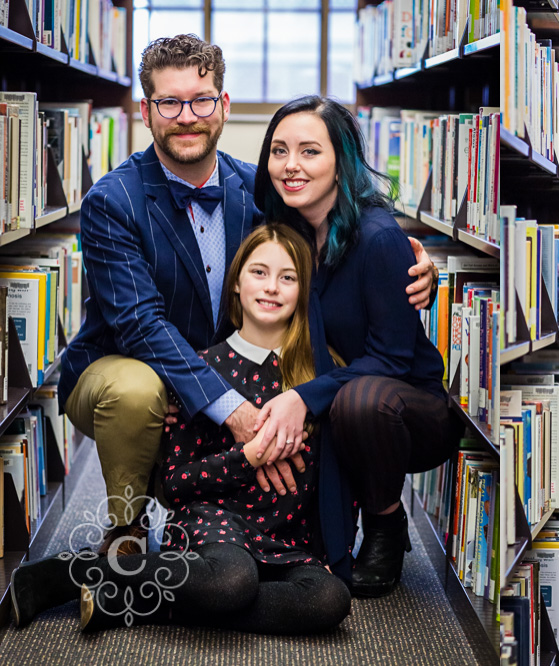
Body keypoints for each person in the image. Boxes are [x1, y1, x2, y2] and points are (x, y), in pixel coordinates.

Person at [57, 34, 438, 557]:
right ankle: (125, 534)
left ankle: (259, 526)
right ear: (146, 111)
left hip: (226, 370)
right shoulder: (111, 201)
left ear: (224, 107)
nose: (186, 115)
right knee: (138, 389)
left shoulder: (261, 193)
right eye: (169, 102)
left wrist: (417, 268)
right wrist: (228, 405)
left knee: (304, 383)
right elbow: (140, 325)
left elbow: (318, 266)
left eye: (201, 99)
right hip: (130, 365)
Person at [11, 224, 352, 634]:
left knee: (329, 600)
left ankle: (123, 595)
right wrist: (246, 458)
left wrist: (336, 546)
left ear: (304, 291)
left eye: (288, 277)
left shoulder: (323, 373)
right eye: (259, 272)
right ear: (235, 286)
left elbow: (334, 474)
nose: (272, 287)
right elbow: (175, 485)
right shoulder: (202, 371)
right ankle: (77, 572)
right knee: (231, 580)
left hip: (287, 539)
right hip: (214, 524)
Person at [249, 96, 464, 597]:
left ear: (341, 163)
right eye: (279, 151)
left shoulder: (378, 238)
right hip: (335, 393)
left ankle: (386, 522)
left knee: (359, 400)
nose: (291, 165)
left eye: (309, 151)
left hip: (405, 408)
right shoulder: (288, 233)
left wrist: (304, 397)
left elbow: (390, 360)